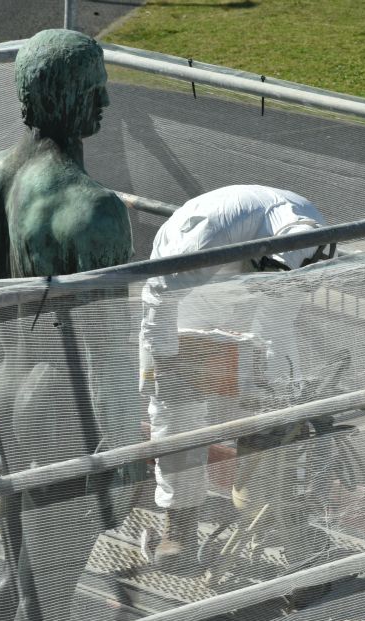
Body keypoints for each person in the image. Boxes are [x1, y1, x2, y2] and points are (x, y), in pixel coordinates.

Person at [0, 29, 136, 621]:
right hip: (64, 408)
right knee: (50, 603)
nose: (106, 103)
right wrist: (127, 454)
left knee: (22, 582)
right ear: (71, 97)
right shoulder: (94, 209)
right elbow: (111, 350)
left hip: (6, 396)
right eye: (97, 87)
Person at [139, 185, 335, 567]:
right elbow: (158, 298)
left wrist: (275, 395)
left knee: (277, 399)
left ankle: (281, 511)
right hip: (189, 299)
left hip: (252, 293)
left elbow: (276, 323)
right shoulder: (200, 238)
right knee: (177, 410)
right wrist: (164, 364)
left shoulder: (311, 238)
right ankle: (179, 523)